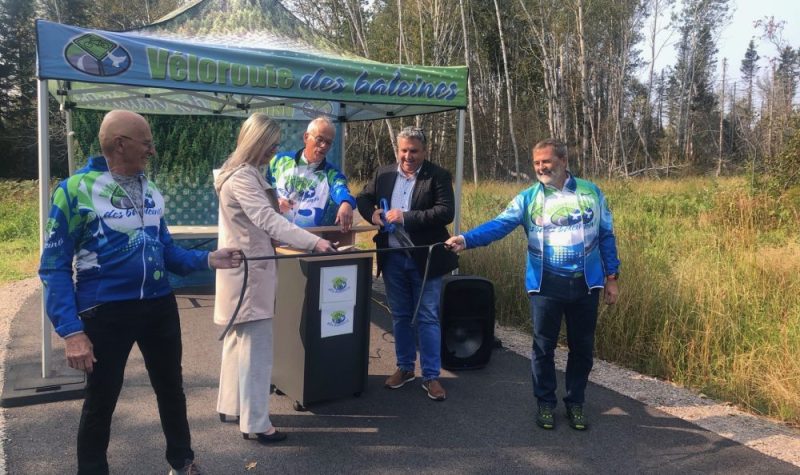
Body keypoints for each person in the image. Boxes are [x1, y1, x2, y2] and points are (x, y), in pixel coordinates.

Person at [38, 110, 242, 475]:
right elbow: (53, 266)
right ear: (121, 144)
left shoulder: (151, 189)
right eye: (146, 142)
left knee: (171, 390)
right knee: (101, 401)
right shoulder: (74, 191)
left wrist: (208, 259)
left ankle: (182, 460)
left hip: (159, 306)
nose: (152, 150)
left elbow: (167, 253)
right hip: (106, 311)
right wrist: (70, 332)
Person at [445, 138, 620, 430]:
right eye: (536, 163)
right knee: (543, 348)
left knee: (582, 348)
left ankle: (576, 402)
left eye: (546, 162)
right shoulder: (529, 198)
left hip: (586, 285)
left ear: (563, 162)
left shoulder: (592, 193)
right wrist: (466, 239)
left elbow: (606, 236)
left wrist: (611, 277)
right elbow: (499, 225)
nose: (540, 168)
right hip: (545, 284)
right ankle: (546, 403)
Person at [213, 113, 336, 444]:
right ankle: (256, 423)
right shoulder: (243, 177)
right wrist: (314, 241)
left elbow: (263, 220)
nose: (275, 149)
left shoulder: (239, 174)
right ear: (256, 142)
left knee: (238, 343)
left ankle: (230, 405)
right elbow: (268, 220)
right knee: (256, 349)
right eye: (272, 143)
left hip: (242, 271)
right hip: (250, 274)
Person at [356, 126, 458, 401]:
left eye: (414, 151)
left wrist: (406, 216)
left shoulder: (437, 175)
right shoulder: (384, 173)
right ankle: (404, 367)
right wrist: (374, 214)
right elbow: (363, 198)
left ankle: (431, 375)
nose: (408, 156)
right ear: (397, 150)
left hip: (424, 259)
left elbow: (446, 212)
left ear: (424, 151)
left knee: (426, 316)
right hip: (392, 258)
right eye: (403, 150)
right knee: (400, 315)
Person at [266, 117, 355, 231]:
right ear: (306, 137)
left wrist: (346, 202)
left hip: (312, 242)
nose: (323, 145)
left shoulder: (332, 173)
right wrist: (274, 202)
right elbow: (261, 191)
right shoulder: (279, 161)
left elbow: (341, 188)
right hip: (275, 237)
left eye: (328, 142)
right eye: (319, 139)